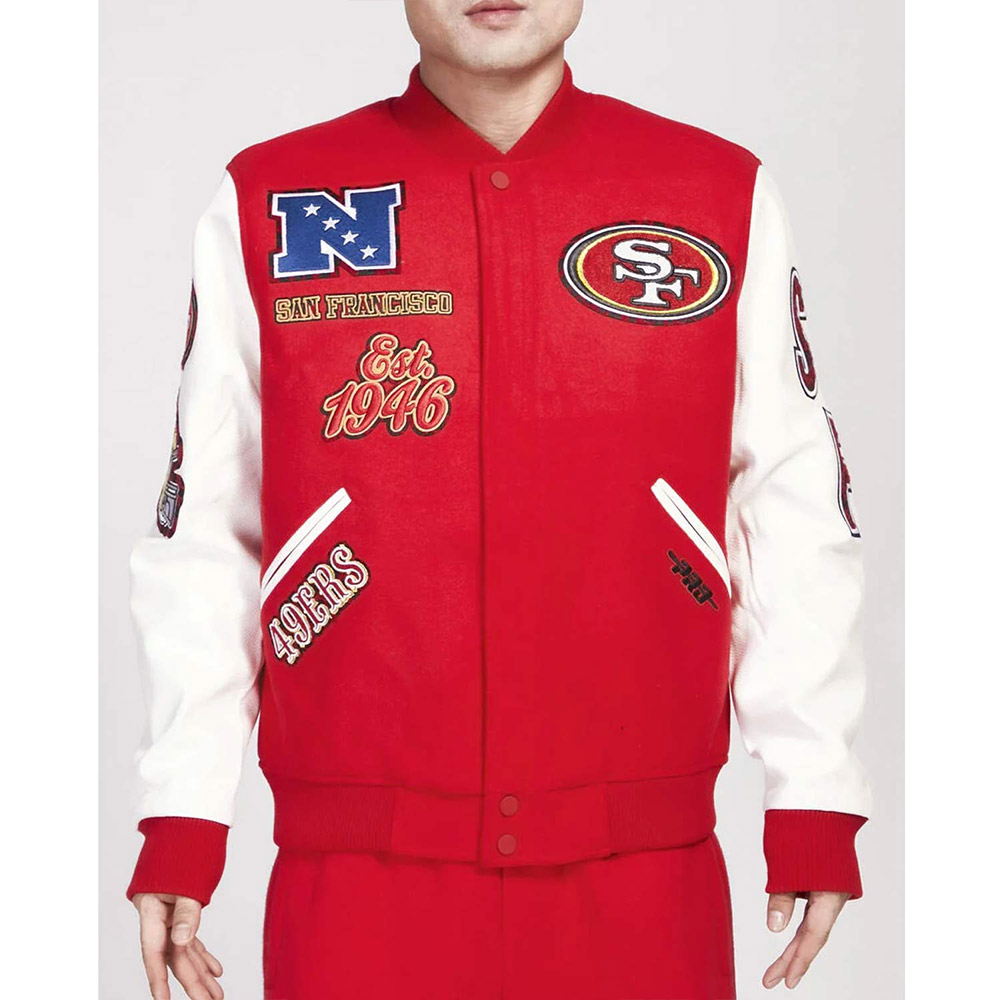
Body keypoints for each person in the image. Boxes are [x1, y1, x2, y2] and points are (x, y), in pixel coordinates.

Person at [126, 1, 871, 997]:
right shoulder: (275, 197)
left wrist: (813, 785)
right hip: (357, 885)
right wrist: (183, 810)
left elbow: (792, 505)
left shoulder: (715, 192)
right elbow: (207, 530)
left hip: (642, 880)